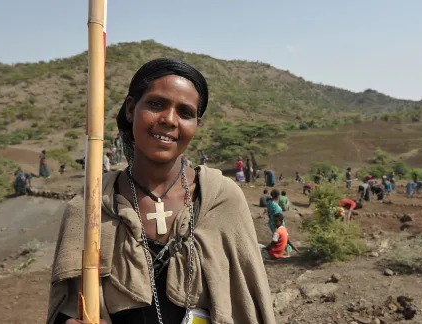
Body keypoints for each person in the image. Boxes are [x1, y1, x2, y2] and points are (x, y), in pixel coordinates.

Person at [47, 58, 275, 324]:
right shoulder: (91, 207)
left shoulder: (222, 200)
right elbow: (67, 305)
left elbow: (248, 303)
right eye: (156, 105)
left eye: (185, 113)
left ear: (196, 125)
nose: (169, 120)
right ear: (131, 108)